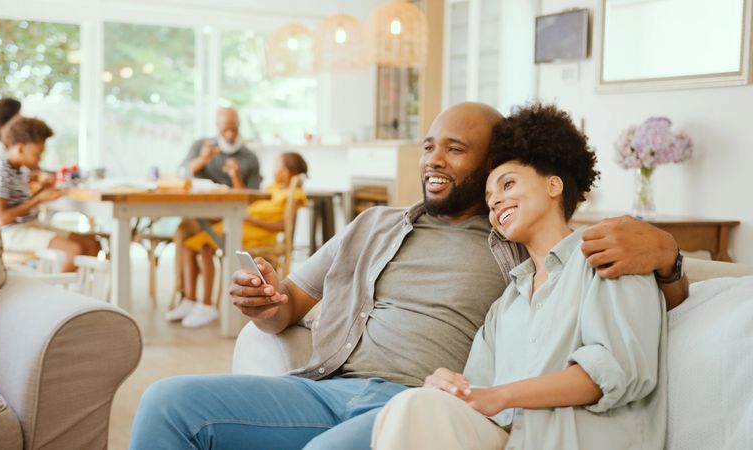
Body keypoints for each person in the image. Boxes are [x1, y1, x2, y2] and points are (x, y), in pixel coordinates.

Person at [129, 102, 687, 450]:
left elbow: (586, 258)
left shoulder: (516, 246)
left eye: (456, 149)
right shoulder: (374, 224)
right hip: (322, 388)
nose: (433, 160)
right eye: (428, 146)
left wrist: (667, 253)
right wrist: (264, 302)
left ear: (498, 164)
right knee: (167, 402)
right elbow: (287, 310)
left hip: (409, 406)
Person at [371, 103, 666, 450]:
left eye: (508, 184)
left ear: (553, 185)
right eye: (489, 196)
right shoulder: (507, 303)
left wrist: (503, 395)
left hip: (576, 441)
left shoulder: (610, 258)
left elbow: (614, 371)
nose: (496, 201)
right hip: (510, 440)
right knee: (413, 404)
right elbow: (476, 391)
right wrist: (446, 387)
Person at [166, 152, 309, 328]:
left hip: (257, 235)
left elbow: (283, 226)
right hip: (243, 227)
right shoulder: (273, 187)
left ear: (288, 171)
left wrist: (250, 220)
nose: (274, 169)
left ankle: (205, 305)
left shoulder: (294, 194)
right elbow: (249, 203)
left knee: (204, 245)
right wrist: (236, 178)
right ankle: (190, 299)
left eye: (278, 165)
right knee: (192, 246)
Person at [0, 116, 100, 272]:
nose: (39, 160)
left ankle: (76, 292)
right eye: (37, 154)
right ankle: (54, 293)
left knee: (92, 243)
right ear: (20, 148)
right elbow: (1, 218)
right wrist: (38, 199)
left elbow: (18, 202)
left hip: (30, 225)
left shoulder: (18, 170)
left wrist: (42, 190)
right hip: (11, 233)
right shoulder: (0, 171)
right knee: (73, 250)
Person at [172, 107, 263, 302]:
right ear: (217, 126)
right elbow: (181, 173)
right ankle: (186, 296)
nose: (230, 133)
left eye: (234, 127)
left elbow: (252, 198)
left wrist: (236, 177)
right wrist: (203, 159)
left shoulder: (250, 157)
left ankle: (198, 301)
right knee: (183, 233)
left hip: (229, 217)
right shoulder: (201, 146)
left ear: (239, 126)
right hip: (198, 214)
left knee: (203, 244)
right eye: (225, 128)